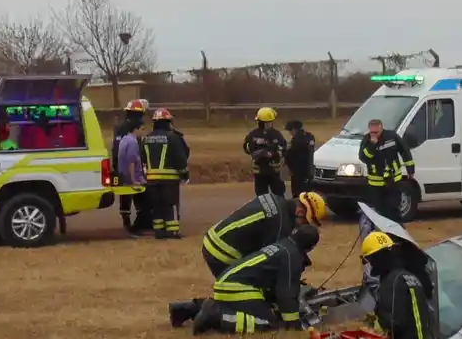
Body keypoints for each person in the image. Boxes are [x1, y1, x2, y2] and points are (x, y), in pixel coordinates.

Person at [174, 224, 321, 335]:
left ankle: (187, 309)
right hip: (239, 287)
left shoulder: (284, 245)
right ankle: (216, 317)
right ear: (310, 247)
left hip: (229, 281)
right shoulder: (292, 256)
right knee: (268, 322)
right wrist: (293, 323)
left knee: (259, 308)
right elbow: (285, 293)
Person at [197, 191, 328, 278]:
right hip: (223, 253)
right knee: (245, 290)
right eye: (305, 222)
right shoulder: (280, 224)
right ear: (300, 212)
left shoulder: (275, 199)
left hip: (212, 238)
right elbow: (270, 260)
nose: (300, 227)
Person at [359, 231, 432, 339]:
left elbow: (394, 323)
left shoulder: (393, 281)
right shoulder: (408, 276)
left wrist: (371, 323)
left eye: (368, 260)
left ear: (377, 258)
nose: (369, 265)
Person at [141, 108, 191, 239]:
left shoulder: (146, 138)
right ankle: (172, 231)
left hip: (151, 179)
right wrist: (185, 174)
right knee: (171, 205)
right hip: (169, 179)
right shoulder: (173, 137)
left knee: (156, 206)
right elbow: (180, 158)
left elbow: (142, 158)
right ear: (168, 122)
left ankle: (159, 231)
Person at [359, 118, 414, 220]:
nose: (374, 134)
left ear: (381, 128)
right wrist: (372, 145)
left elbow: (405, 151)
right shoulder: (366, 140)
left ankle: (396, 227)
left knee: (394, 207)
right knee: (379, 210)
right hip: (376, 183)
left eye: (376, 132)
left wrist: (410, 169)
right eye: (372, 132)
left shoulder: (392, 136)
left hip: (393, 180)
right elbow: (363, 157)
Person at [112, 99, 151, 234]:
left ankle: (139, 221)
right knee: (130, 195)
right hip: (128, 168)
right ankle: (130, 223)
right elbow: (126, 152)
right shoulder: (127, 128)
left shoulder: (124, 127)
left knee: (133, 194)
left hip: (126, 167)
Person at [243, 106, 288, 197]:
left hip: (273, 170)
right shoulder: (253, 134)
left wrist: (272, 154)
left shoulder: (276, 134)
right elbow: (247, 148)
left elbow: (283, 148)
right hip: (261, 170)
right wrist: (257, 151)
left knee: (278, 194)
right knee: (262, 196)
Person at [283, 119, 316, 197]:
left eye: (290, 130)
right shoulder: (310, 136)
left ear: (294, 129)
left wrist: (289, 167)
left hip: (298, 171)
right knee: (308, 193)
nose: (290, 133)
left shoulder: (296, 139)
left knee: (297, 194)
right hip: (309, 170)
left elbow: (289, 155)